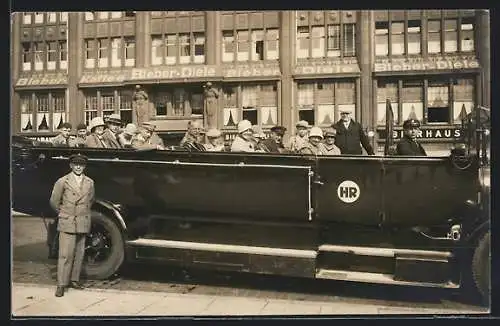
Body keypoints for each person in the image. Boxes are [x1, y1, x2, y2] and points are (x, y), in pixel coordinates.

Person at [49, 153, 95, 297]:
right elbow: (54, 202)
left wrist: (83, 213)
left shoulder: (90, 182)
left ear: (84, 166)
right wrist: (64, 214)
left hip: (82, 220)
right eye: (76, 164)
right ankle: (61, 284)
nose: (78, 167)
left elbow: (91, 200)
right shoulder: (63, 181)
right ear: (71, 165)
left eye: (81, 164)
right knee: (65, 254)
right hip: (68, 220)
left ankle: (74, 280)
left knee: (79, 253)